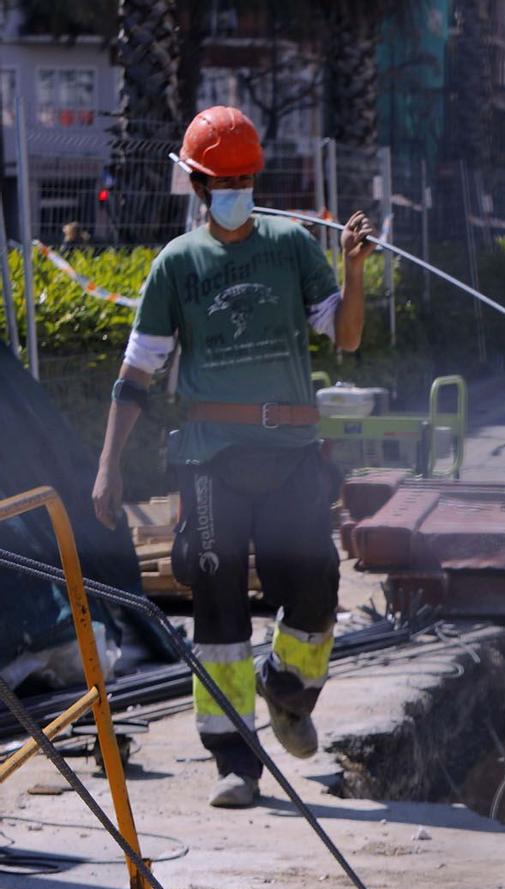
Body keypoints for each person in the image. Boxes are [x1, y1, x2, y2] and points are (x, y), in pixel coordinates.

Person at [90, 106, 373, 809]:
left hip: (291, 453)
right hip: (213, 459)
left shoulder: (291, 246)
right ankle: (234, 762)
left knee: (314, 577)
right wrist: (108, 466)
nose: (234, 189)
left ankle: (288, 686)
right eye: (222, 179)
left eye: (245, 177)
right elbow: (137, 374)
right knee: (216, 600)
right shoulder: (177, 266)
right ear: (194, 181)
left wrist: (353, 269)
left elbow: (347, 339)